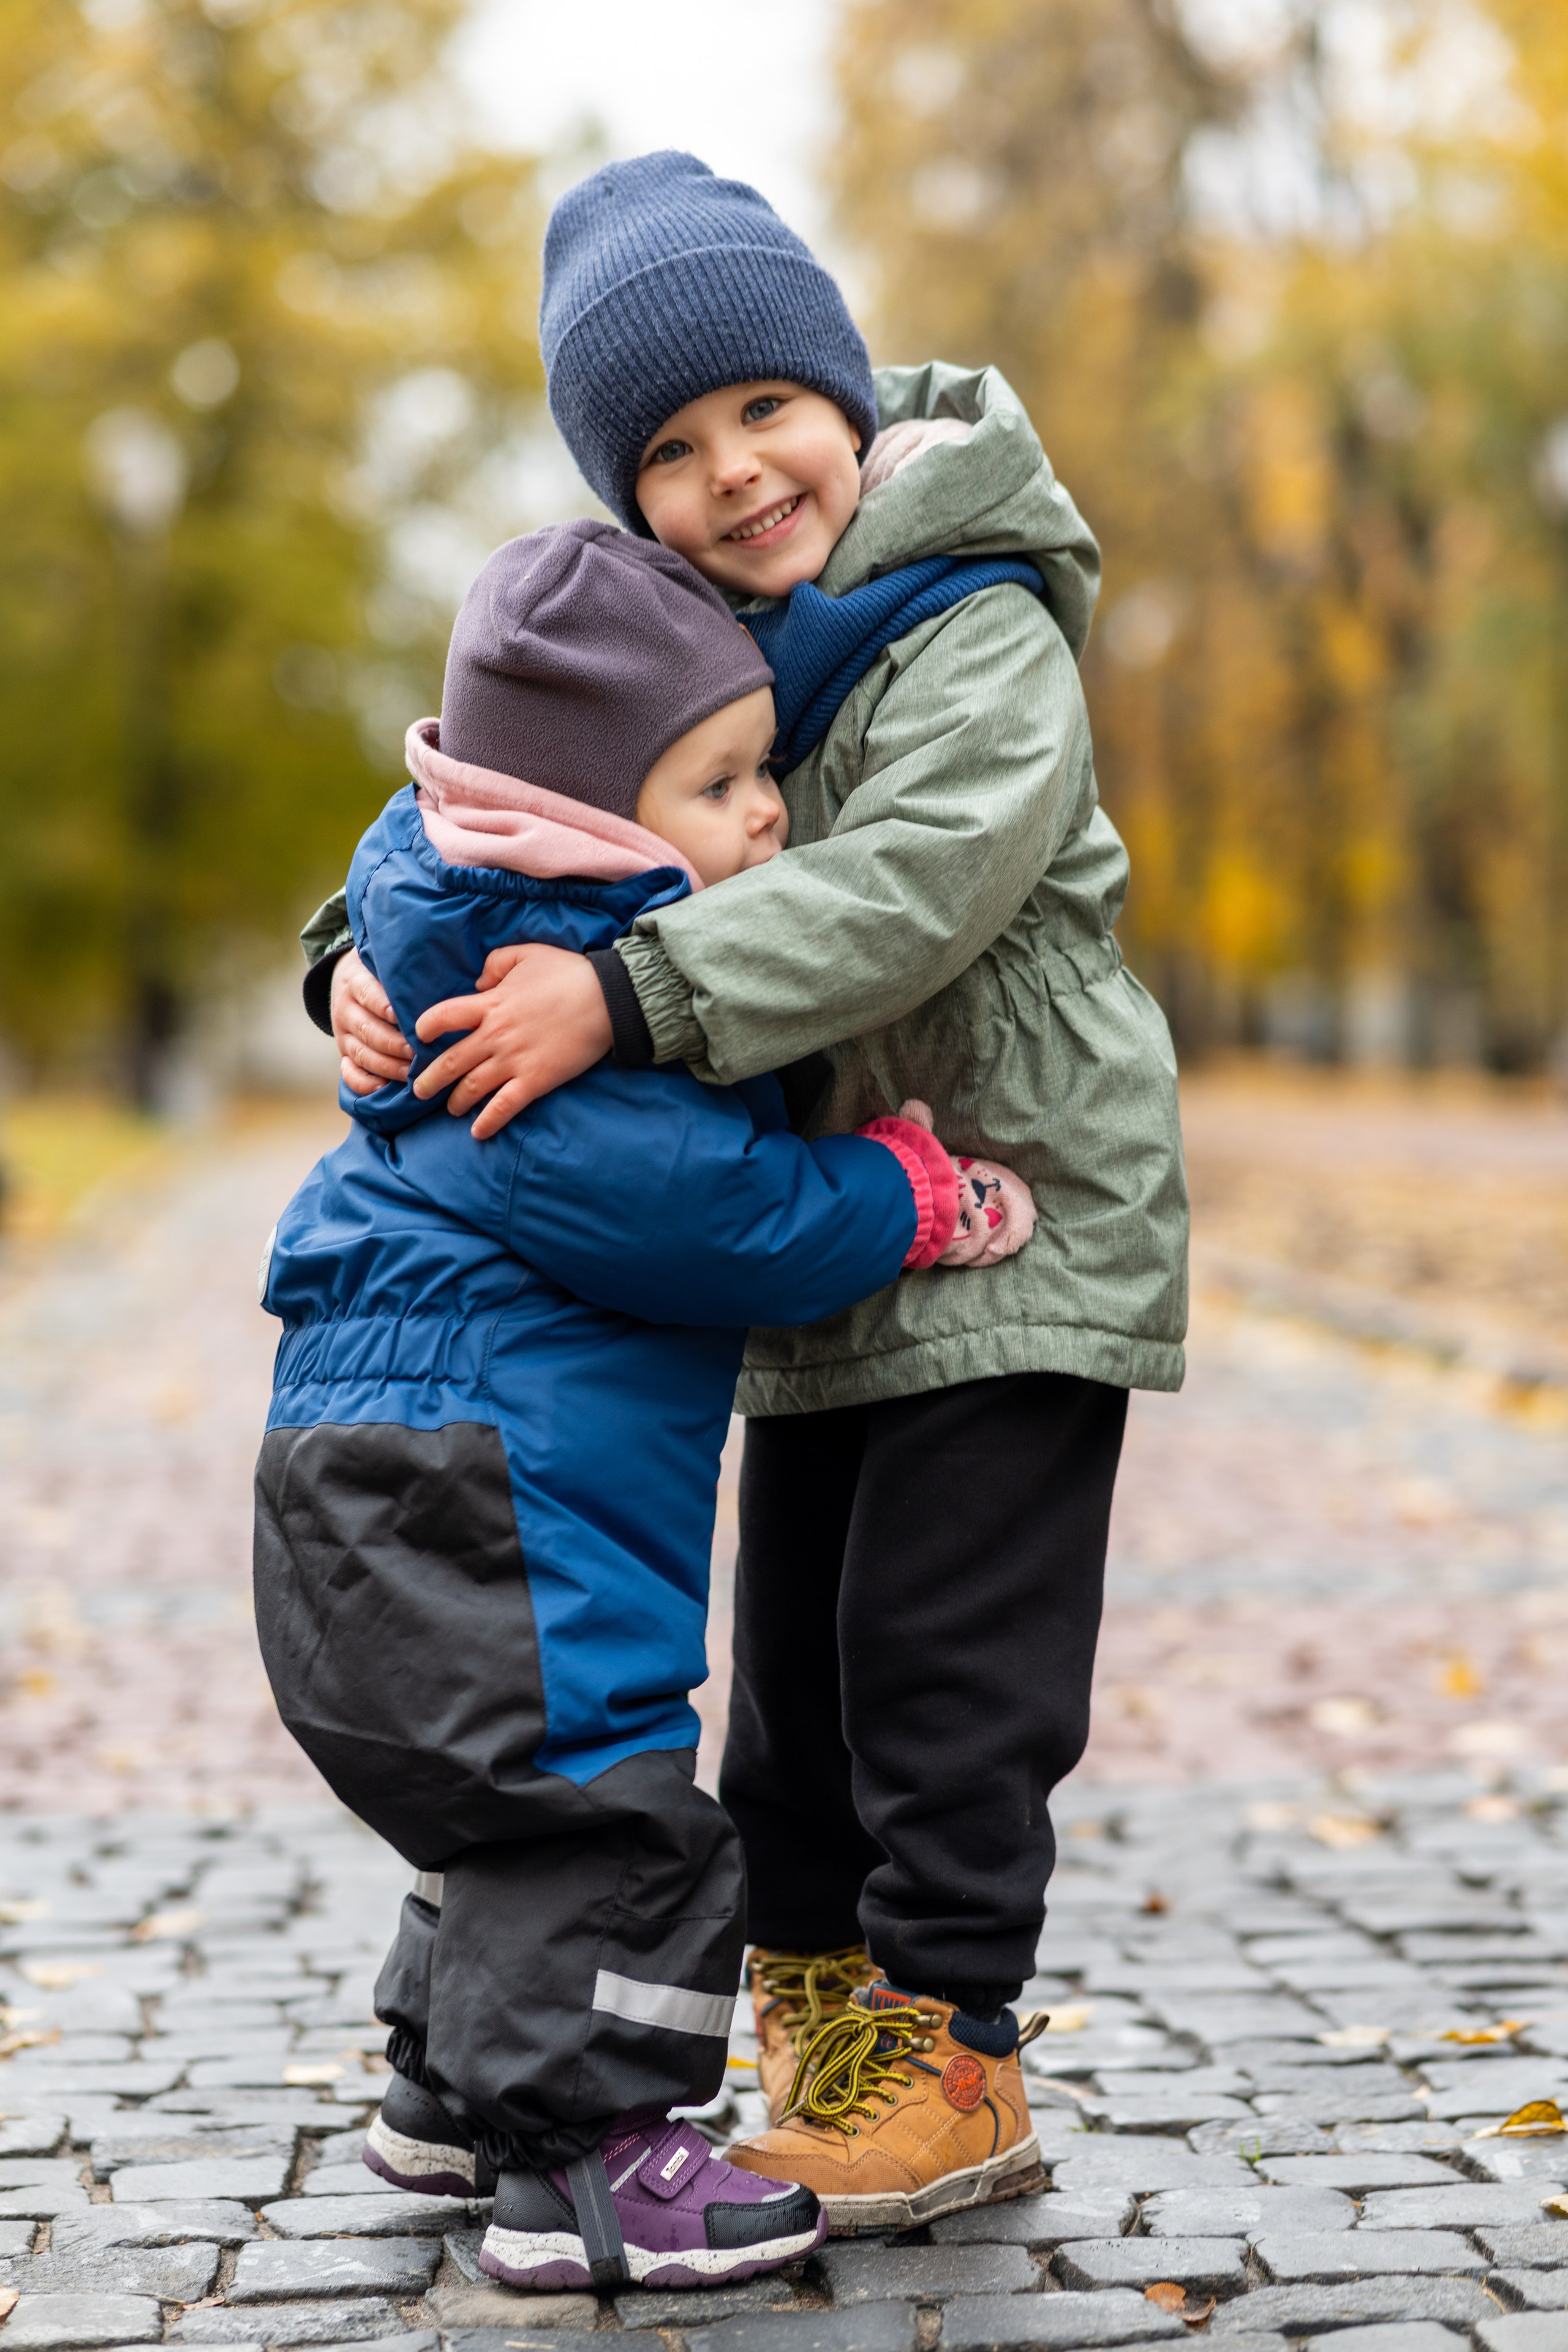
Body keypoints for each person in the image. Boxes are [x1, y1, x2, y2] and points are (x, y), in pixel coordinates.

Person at [303, 151, 1188, 2232]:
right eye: (673, 454)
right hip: (813, 1241)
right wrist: (351, 953)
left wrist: (627, 992)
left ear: (846, 392)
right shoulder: (682, 635)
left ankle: (955, 2046)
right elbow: (479, 803)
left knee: (943, 1662)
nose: (737, 475)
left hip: (1014, 1213)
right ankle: (818, 2028)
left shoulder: (979, 624)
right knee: (789, 1674)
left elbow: (910, 894)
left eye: (765, 413)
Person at [255, 518, 1034, 2289]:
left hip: (367, 1476)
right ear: (599, 819)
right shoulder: (541, 1013)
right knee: (602, 1804)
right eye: (725, 782)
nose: (768, 816)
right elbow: (716, 1220)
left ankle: (454, 2092)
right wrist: (910, 1196)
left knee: (490, 1811)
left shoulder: (446, 916)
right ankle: (596, 2167)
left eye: (765, 770)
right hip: (496, 1494)